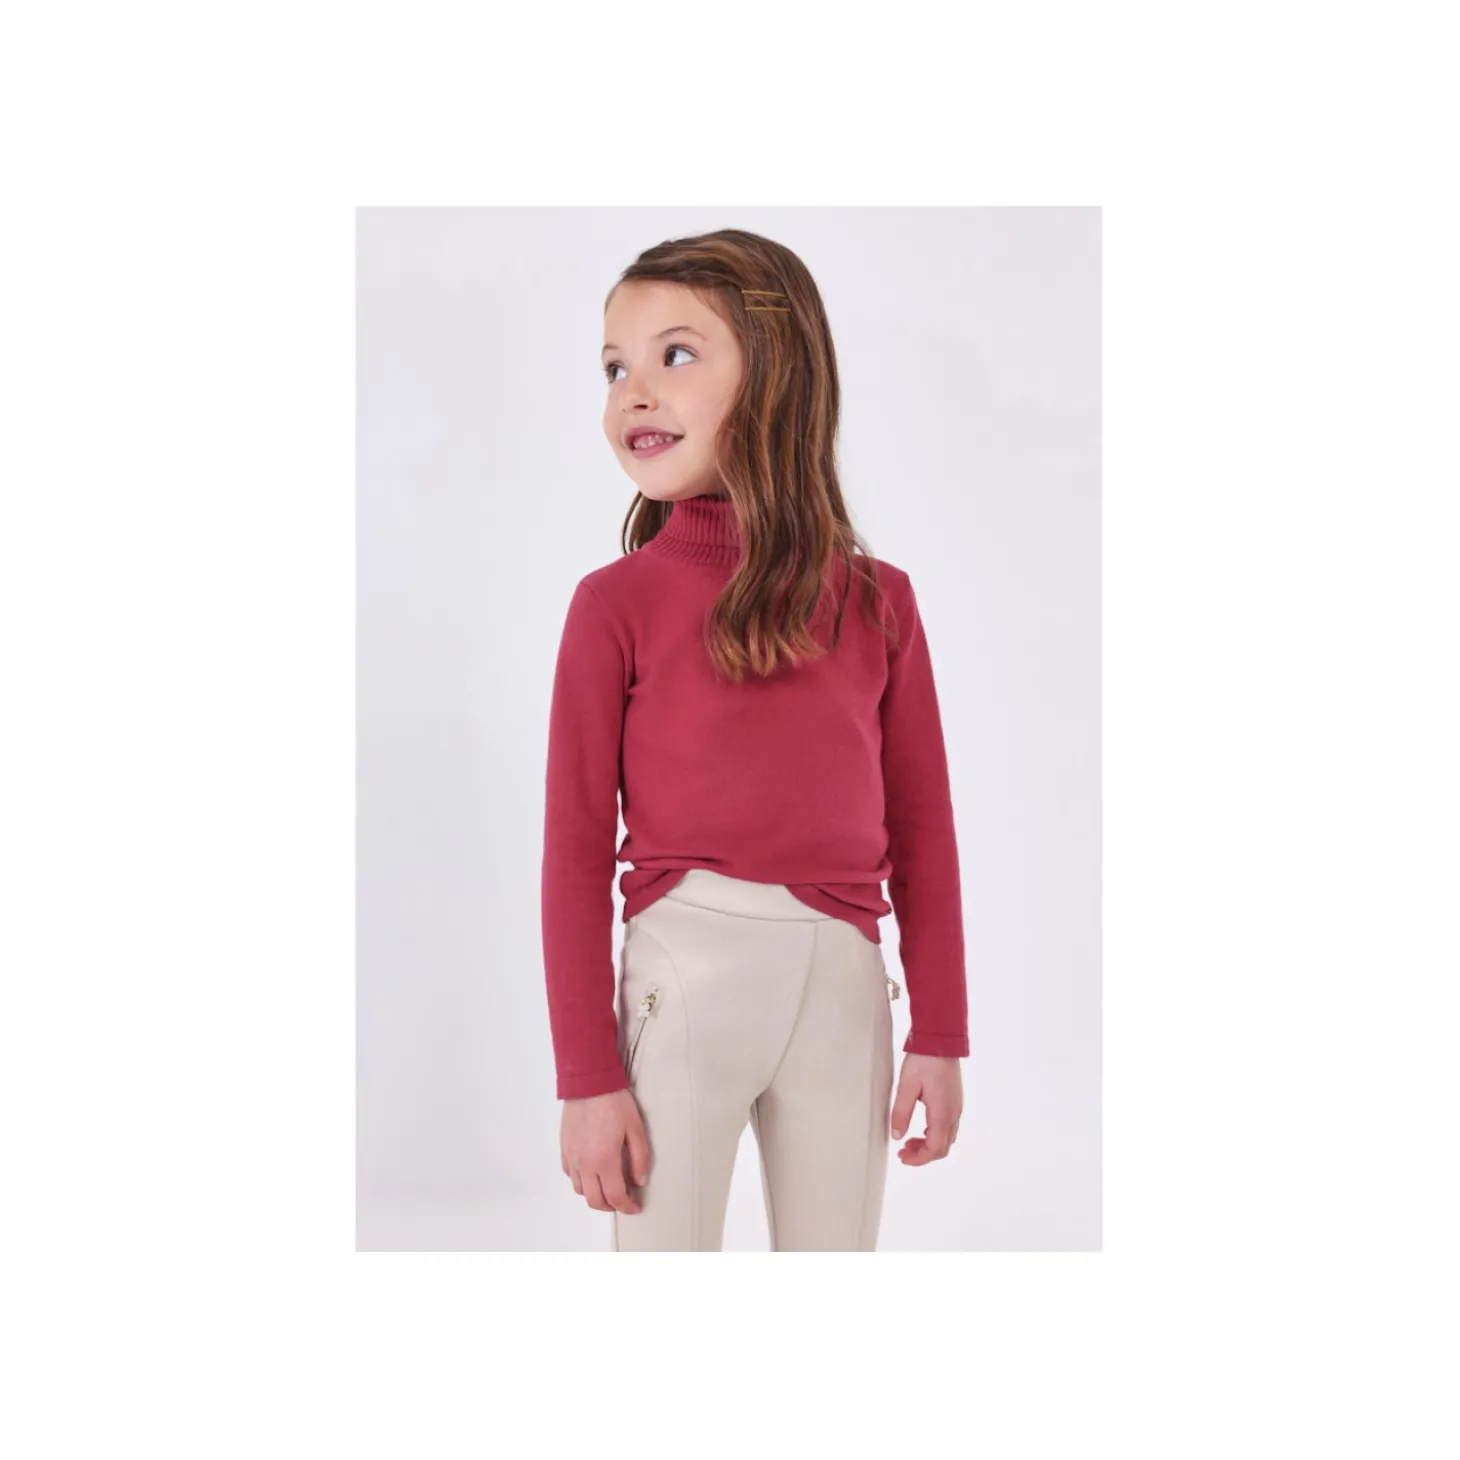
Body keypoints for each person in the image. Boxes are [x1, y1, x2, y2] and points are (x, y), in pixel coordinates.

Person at [541, 228, 968, 1251]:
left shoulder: (878, 601)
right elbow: (571, 853)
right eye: (615, 368)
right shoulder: (613, 605)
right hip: (682, 980)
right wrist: (587, 1077)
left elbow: (924, 830)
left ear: (776, 375)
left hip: (844, 992)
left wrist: (942, 1031)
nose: (634, 392)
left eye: (675, 355)